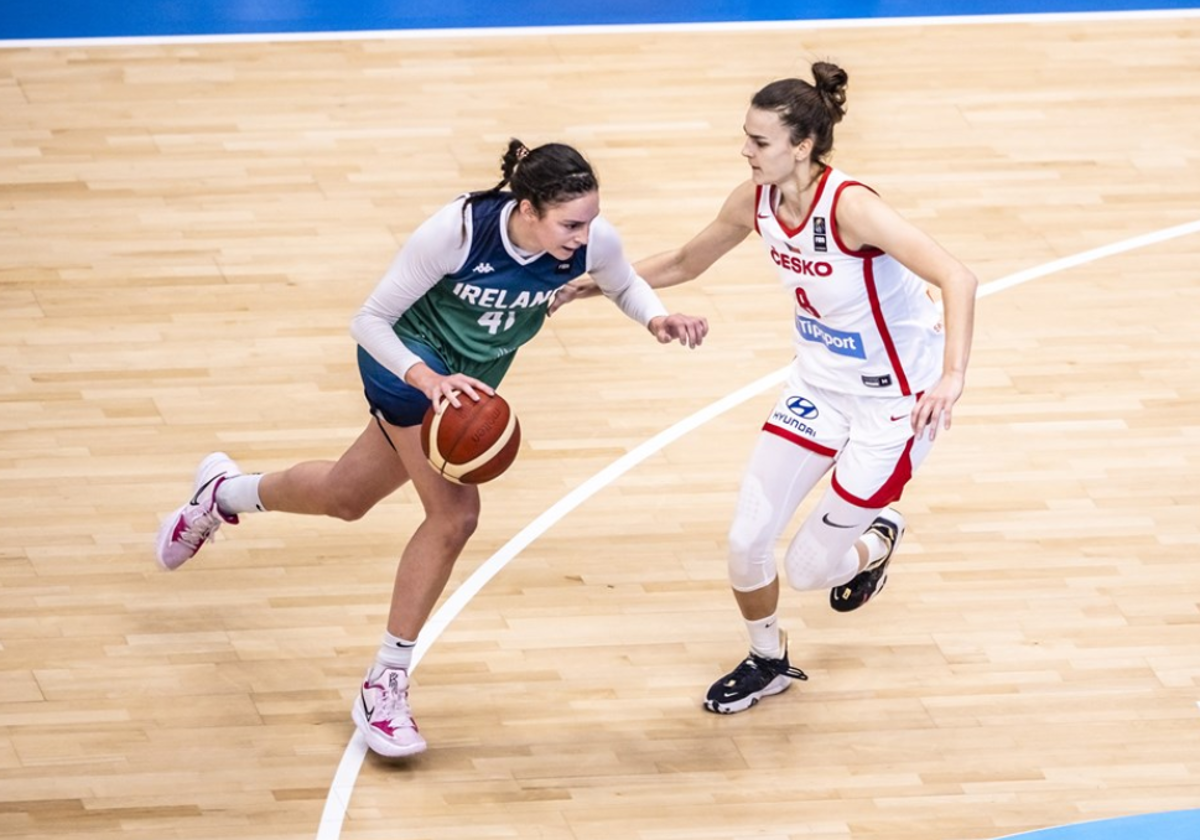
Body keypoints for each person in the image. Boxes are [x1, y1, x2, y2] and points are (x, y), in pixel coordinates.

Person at [155, 139, 709, 757]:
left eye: (589, 221)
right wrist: (427, 378)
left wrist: (656, 318)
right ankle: (383, 684)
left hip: (468, 382)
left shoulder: (591, 241)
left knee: (346, 495)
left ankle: (220, 493)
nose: (584, 237)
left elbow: (623, 283)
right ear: (526, 209)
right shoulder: (456, 233)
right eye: (570, 223)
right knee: (455, 516)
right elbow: (369, 320)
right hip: (407, 363)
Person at [553, 62, 977, 714]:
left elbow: (957, 276)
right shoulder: (753, 201)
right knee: (746, 541)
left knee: (809, 572)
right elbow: (688, 261)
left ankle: (877, 538)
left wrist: (950, 377)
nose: (745, 151)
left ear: (801, 146)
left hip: (896, 404)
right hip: (819, 387)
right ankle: (768, 659)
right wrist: (598, 283)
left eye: (759, 142)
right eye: (745, 138)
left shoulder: (852, 207)